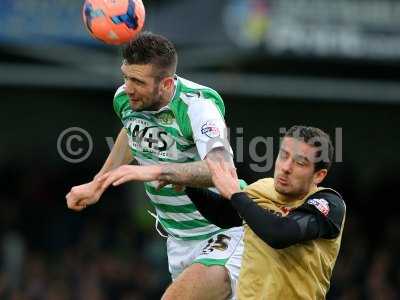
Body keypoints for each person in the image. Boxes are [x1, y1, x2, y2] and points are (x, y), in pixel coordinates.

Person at [66, 32, 244, 300]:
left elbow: (221, 171)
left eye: (138, 81)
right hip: (178, 238)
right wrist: (97, 183)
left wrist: (157, 170)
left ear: (167, 83)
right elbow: (131, 132)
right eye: (126, 76)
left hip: (224, 230)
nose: (128, 87)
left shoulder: (198, 108)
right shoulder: (126, 99)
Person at [186, 125, 346, 299]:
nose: (286, 167)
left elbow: (280, 233)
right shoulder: (262, 188)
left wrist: (235, 194)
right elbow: (224, 215)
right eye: (283, 156)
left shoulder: (329, 204)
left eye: (299, 163)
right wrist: (188, 185)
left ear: (319, 175)